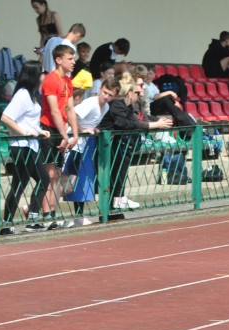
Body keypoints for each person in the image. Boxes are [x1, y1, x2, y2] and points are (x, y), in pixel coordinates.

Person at [100, 72, 172, 210]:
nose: (139, 94)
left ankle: (116, 201)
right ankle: (112, 203)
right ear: (130, 92)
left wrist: (154, 123)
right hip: (105, 143)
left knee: (119, 170)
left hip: (116, 143)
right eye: (137, 91)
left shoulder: (128, 105)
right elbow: (125, 123)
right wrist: (153, 125)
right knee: (108, 174)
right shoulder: (118, 104)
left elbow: (138, 120)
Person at [0, 61, 52, 230]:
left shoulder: (31, 94)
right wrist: (24, 132)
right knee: (27, 182)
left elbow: (28, 120)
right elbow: (6, 118)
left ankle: (22, 220)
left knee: (29, 182)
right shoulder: (22, 94)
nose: (44, 76)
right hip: (22, 145)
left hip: (30, 145)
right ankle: (15, 222)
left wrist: (39, 130)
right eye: (42, 72)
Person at [63, 76, 118, 225]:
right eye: (105, 92)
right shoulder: (91, 103)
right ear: (100, 89)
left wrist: (94, 130)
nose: (106, 97)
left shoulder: (105, 107)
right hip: (72, 143)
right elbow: (70, 114)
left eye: (110, 95)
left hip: (82, 146)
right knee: (66, 184)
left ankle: (77, 216)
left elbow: (89, 124)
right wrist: (82, 130)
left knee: (74, 183)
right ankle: (42, 212)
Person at [37, 42, 80, 229]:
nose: (73, 62)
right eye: (70, 59)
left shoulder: (68, 82)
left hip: (61, 130)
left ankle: (53, 213)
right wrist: (64, 134)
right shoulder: (51, 80)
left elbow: (70, 109)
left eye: (73, 58)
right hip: (49, 129)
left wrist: (75, 134)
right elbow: (54, 111)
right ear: (58, 59)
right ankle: (47, 215)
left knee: (57, 175)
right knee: (50, 174)